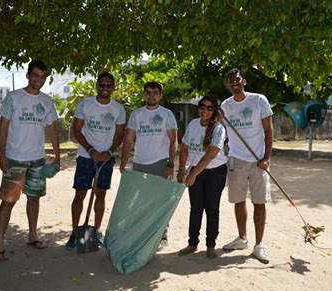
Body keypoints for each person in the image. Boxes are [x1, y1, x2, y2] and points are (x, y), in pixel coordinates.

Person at [0, 60, 60, 261]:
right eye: (36, 75)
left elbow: (52, 130)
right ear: (28, 75)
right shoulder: (14, 98)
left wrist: (57, 156)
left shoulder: (47, 101)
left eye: (43, 77)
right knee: (8, 202)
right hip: (15, 159)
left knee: (34, 199)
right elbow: (3, 128)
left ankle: (32, 236)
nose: (39, 80)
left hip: (37, 160)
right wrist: (2, 156)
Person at [65, 72, 126, 250]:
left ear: (113, 88)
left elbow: (120, 134)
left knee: (101, 194)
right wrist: (90, 149)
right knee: (80, 195)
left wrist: (108, 152)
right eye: (102, 84)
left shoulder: (118, 109)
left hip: (106, 159)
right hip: (86, 157)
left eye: (108, 85)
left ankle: (97, 231)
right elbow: (77, 130)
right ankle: (75, 233)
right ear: (96, 86)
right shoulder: (85, 104)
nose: (105, 88)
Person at [220, 68, 273, 264]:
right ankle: (242, 238)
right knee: (238, 201)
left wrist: (266, 158)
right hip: (236, 159)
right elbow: (217, 127)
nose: (234, 83)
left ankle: (259, 245)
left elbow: (268, 131)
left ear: (244, 81)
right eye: (231, 81)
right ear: (228, 85)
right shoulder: (225, 106)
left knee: (259, 202)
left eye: (237, 79)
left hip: (258, 160)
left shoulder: (259, 100)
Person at [120, 81, 178, 246]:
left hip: (160, 163)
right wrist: (124, 162)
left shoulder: (167, 114)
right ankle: (144, 233)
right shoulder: (137, 115)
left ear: (160, 95)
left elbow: (174, 141)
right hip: (139, 163)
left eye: (155, 92)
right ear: (144, 95)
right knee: (141, 201)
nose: (151, 95)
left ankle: (162, 235)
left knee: (160, 200)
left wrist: (170, 164)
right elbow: (129, 139)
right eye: (148, 92)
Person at [176, 96, 227, 259]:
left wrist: (193, 174)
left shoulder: (219, 128)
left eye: (209, 108)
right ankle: (192, 243)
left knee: (212, 209)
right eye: (202, 106)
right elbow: (184, 148)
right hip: (194, 172)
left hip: (215, 172)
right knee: (196, 208)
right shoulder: (192, 124)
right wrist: (182, 169)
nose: (204, 110)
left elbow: (211, 154)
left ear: (215, 111)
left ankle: (211, 245)